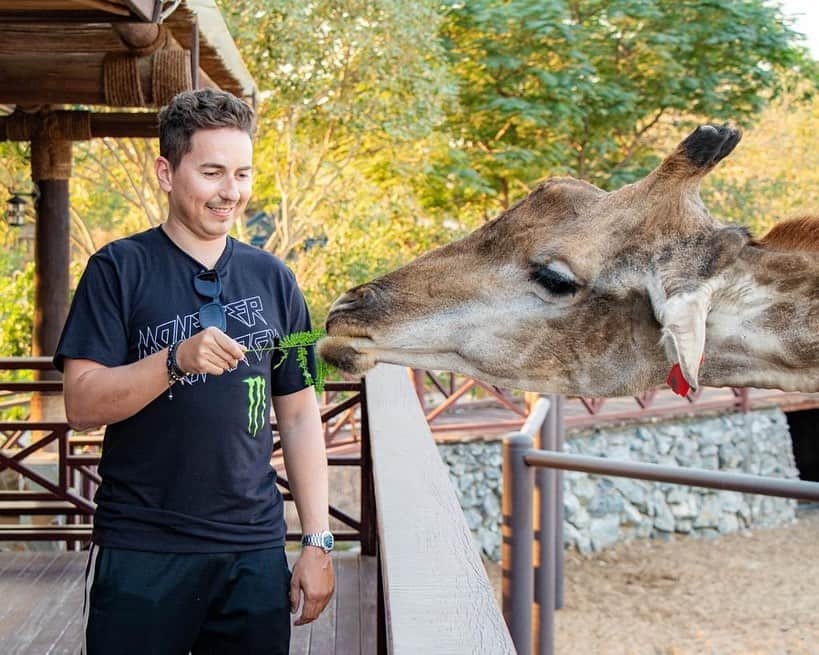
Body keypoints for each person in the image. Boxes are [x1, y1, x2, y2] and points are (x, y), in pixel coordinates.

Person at [54, 88, 334, 655]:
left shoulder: (278, 279)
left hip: (254, 552)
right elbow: (81, 405)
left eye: (242, 173)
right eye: (212, 172)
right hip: (142, 552)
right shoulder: (115, 270)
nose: (230, 191)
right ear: (166, 171)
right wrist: (176, 360)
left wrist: (318, 540)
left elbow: (303, 412)